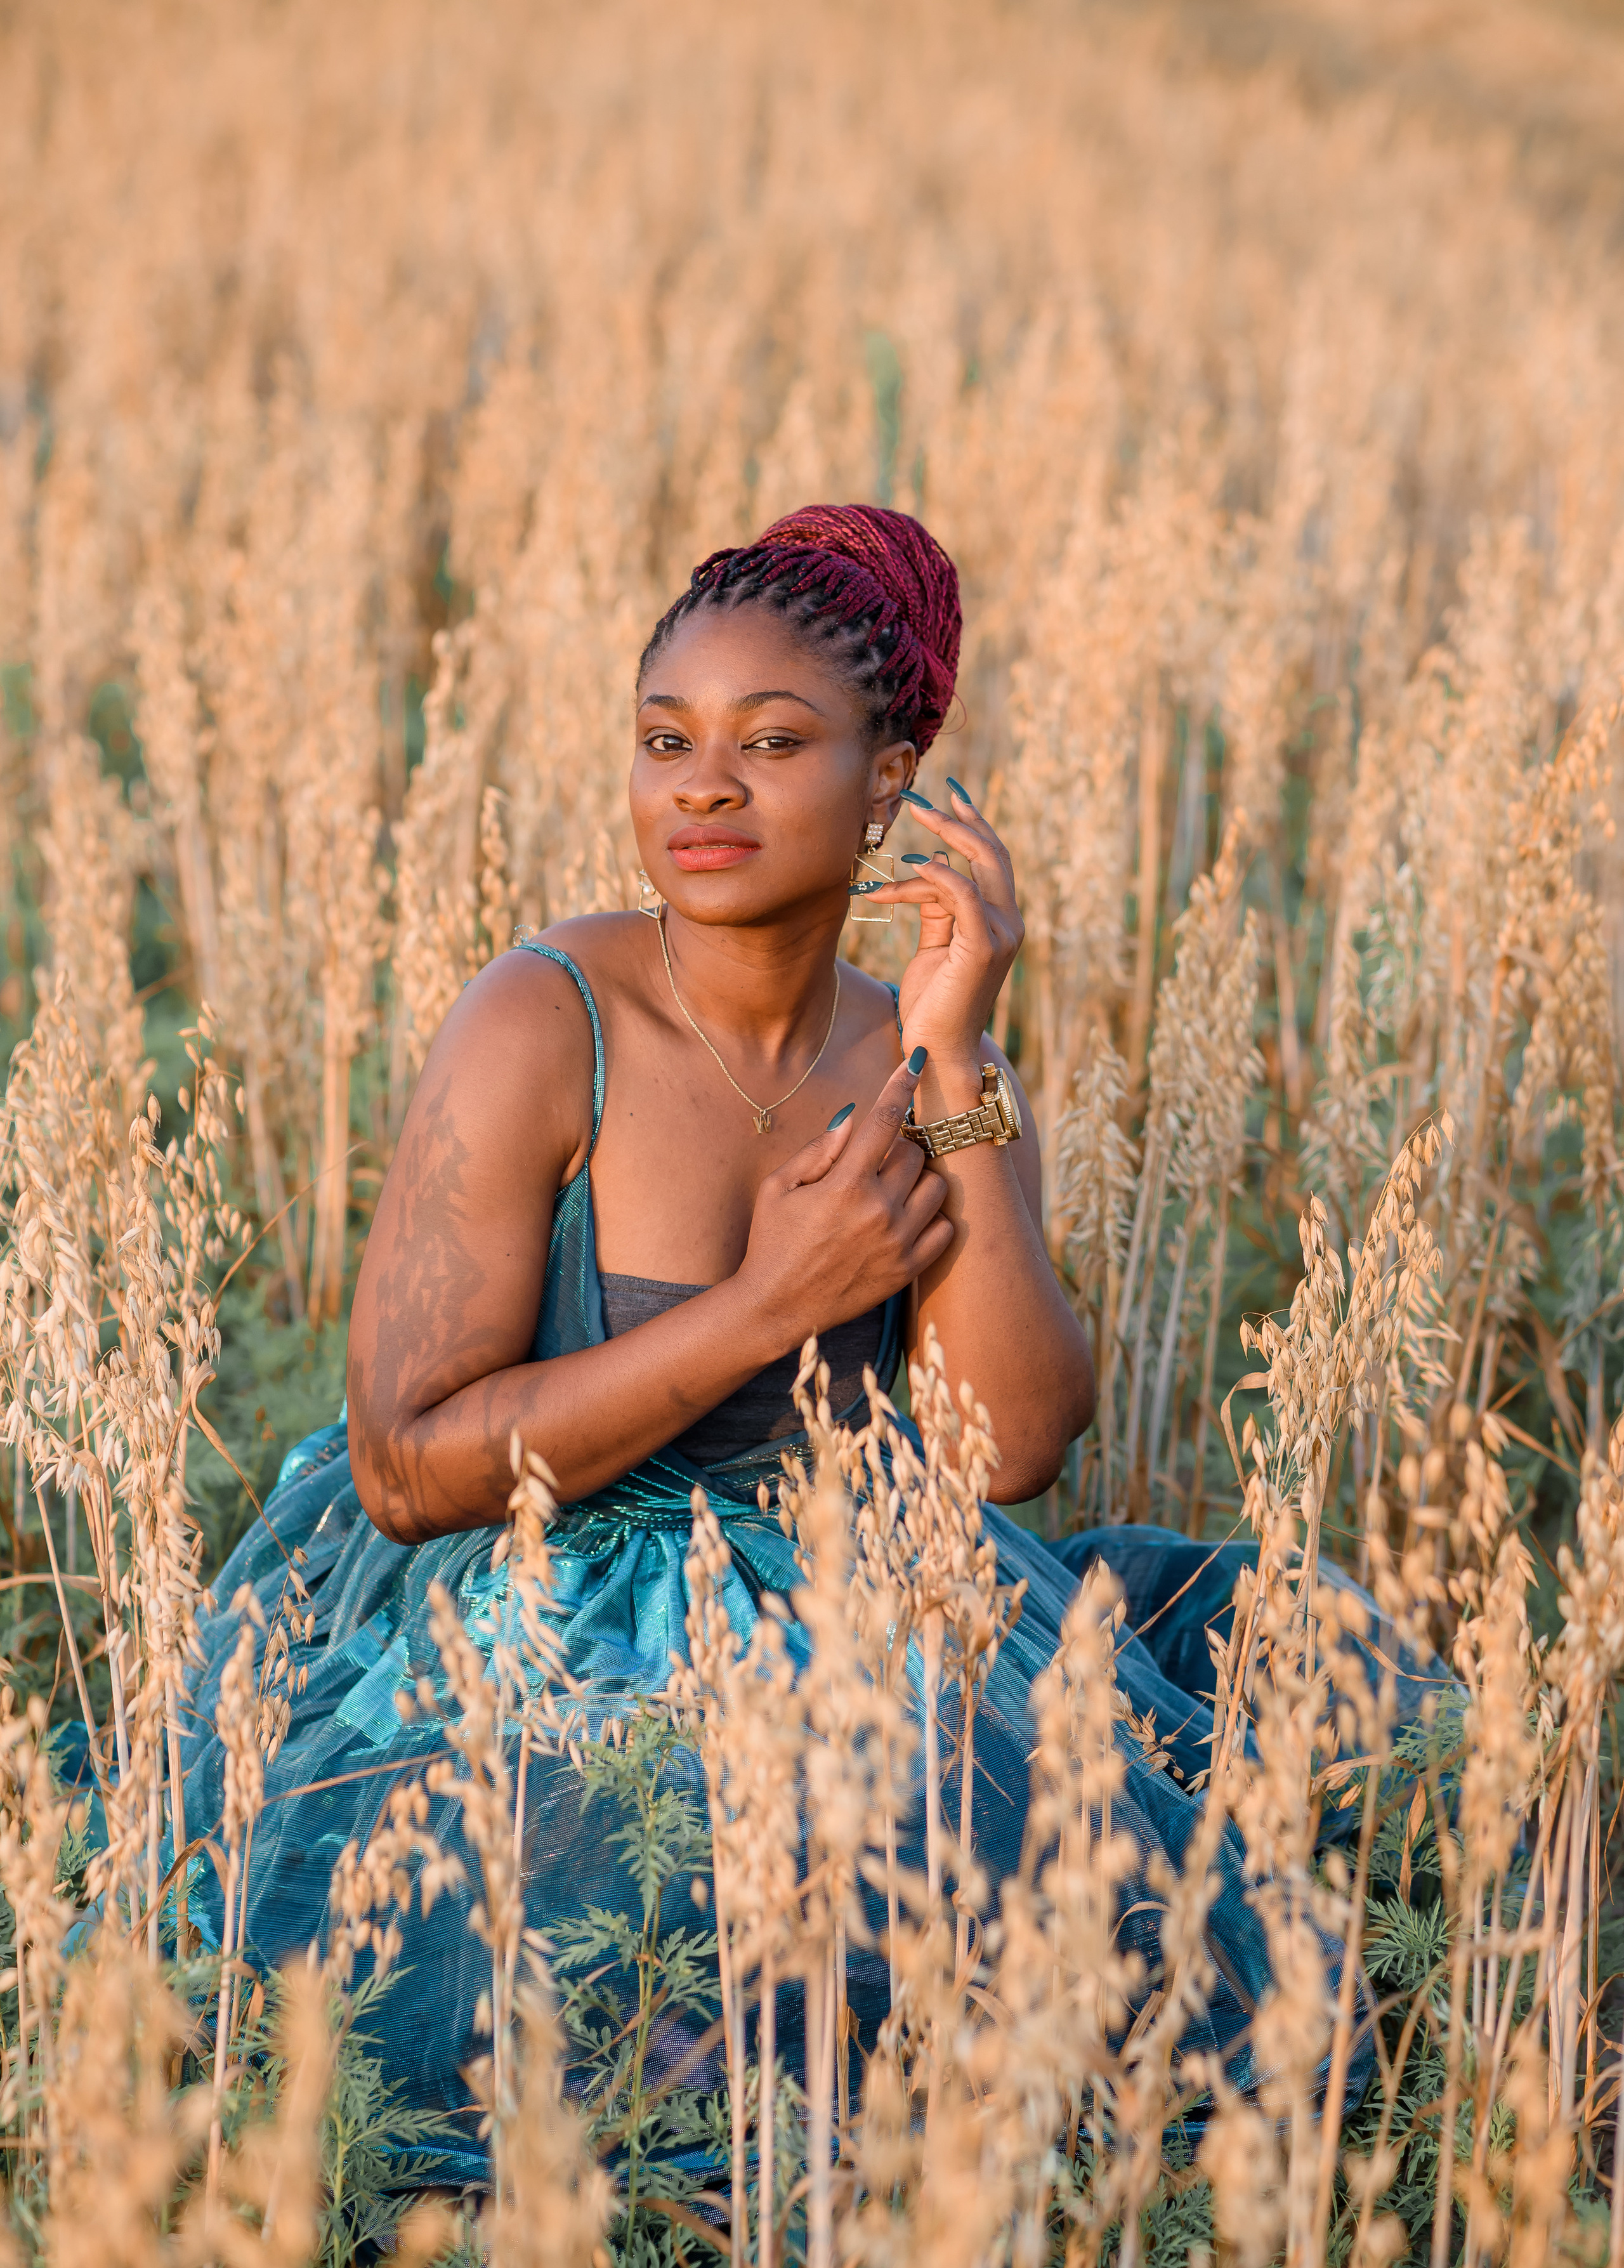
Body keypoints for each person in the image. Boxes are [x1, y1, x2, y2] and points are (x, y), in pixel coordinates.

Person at [184, 504, 1436, 2177]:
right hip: (541, 1599)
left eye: (773, 743)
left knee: (1173, 1877)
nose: (703, 786)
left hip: (856, 1595)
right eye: (666, 740)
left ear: (892, 777)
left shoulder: (908, 1053)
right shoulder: (544, 1019)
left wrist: (957, 1051)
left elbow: (1008, 1447)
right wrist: (766, 1307)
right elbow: (414, 1465)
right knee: (613, 1972)